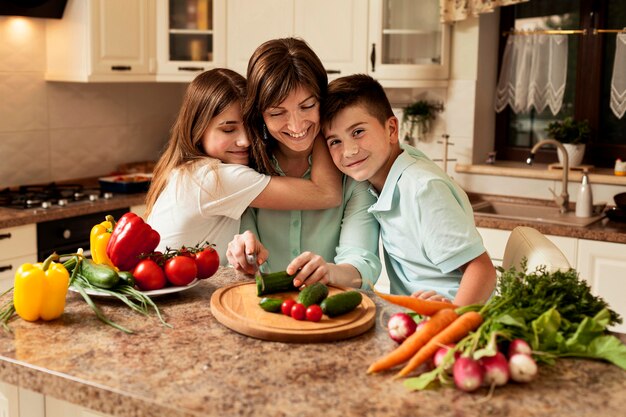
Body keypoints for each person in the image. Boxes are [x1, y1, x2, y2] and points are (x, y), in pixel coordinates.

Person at [321, 74, 496, 305]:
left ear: (391, 129)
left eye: (358, 132)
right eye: (335, 141)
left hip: (449, 318)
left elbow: (482, 269)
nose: (349, 151)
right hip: (415, 315)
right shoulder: (392, 169)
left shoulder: (422, 190)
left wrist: (452, 317)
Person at [145, 68, 343, 264]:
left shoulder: (188, 171)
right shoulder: (214, 178)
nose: (245, 140)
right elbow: (326, 193)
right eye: (228, 129)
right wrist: (313, 126)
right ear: (198, 130)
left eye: (250, 126)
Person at [226, 38, 381, 289]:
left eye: (307, 106)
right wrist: (240, 252)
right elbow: (240, 250)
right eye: (277, 113)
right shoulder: (246, 167)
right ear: (260, 115)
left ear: (323, 100)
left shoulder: (351, 170)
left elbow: (364, 264)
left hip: (329, 313)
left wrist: (331, 272)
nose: (297, 126)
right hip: (260, 310)